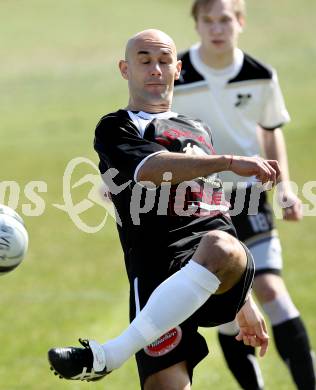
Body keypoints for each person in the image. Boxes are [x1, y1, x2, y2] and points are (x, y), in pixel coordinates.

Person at [47, 29, 279, 389]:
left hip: (216, 267)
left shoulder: (199, 130)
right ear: (125, 69)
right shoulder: (115, 128)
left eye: (163, 61)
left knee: (221, 244)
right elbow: (153, 169)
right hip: (157, 279)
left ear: (177, 69)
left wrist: (244, 298)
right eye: (144, 61)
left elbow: (216, 212)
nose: (155, 69)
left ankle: (109, 355)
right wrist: (230, 162)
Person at [172, 1, 316, 389]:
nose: (216, 29)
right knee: (228, 305)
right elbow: (154, 129)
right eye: (208, 21)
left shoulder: (260, 75)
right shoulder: (175, 74)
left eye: (224, 20)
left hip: (249, 194)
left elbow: (270, 130)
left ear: (240, 23)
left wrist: (284, 185)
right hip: (198, 200)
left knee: (270, 288)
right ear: (197, 24)